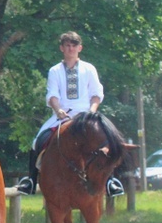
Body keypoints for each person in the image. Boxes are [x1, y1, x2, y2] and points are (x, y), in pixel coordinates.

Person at [16, 32, 124, 197]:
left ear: (79, 48)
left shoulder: (89, 69)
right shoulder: (55, 70)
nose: (71, 48)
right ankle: (31, 180)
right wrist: (58, 110)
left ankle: (111, 182)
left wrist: (91, 112)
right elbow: (52, 94)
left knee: (108, 142)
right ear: (62, 48)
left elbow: (96, 94)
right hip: (63, 114)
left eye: (74, 45)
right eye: (67, 45)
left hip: (87, 115)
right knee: (37, 140)